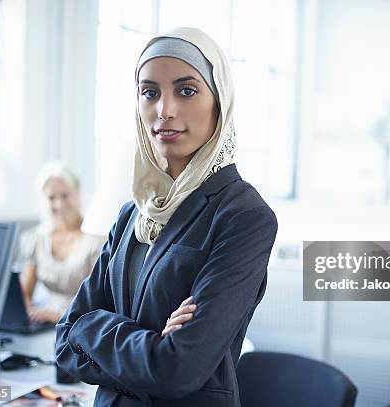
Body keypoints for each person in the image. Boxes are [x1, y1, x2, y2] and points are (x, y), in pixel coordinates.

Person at [55, 27, 278, 406]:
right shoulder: (131, 216)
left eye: (186, 90)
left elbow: (177, 371)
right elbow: (63, 346)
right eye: (150, 92)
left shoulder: (244, 215)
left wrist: (92, 328)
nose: (165, 110)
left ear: (219, 102)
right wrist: (151, 343)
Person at [19, 161, 105, 323]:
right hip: (44, 323)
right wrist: (30, 312)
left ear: (78, 194)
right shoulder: (38, 238)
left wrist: (58, 316)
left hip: (81, 323)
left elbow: (97, 299)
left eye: (65, 195)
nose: (59, 204)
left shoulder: (96, 240)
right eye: (51, 197)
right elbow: (24, 295)